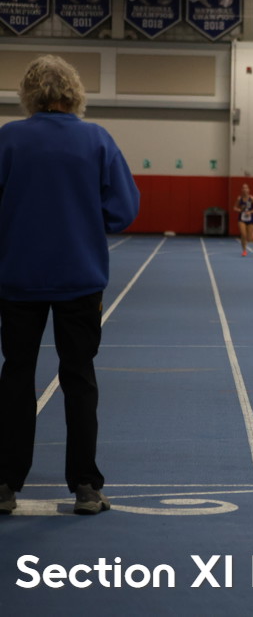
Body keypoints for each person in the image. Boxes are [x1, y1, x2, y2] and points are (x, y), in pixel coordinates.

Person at [0, 55, 140, 516]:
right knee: (78, 378)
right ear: (73, 93)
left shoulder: (8, 139)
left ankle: (4, 483)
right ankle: (84, 485)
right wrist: (83, 218)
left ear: (30, 94)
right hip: (79, 279)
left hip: (18, 279)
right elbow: (123, 210)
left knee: (16, 376)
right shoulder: (96, 139)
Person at [233, 183, 253, 257]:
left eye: (246, 188)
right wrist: (239, 210)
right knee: (243, 234)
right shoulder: (239, 198)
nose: (245, 189)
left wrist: (250, 212)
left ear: (249, 190)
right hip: (242, 218)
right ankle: (244, 250)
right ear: (241, 190)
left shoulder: (252, 198)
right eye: (243, 188)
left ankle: (252, 234)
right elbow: (234, 207)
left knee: (249, 239)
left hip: (250, 218)